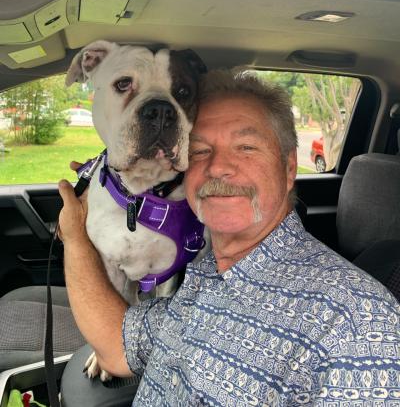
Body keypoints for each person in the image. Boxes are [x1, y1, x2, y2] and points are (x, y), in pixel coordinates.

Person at [58, 69, 400, 406]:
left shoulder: (358, 322)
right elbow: (117, 348)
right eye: (201, 151)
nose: (219, 167)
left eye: (246, 147)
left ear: (289, 168)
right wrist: (75, 238)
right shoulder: (203, 277)